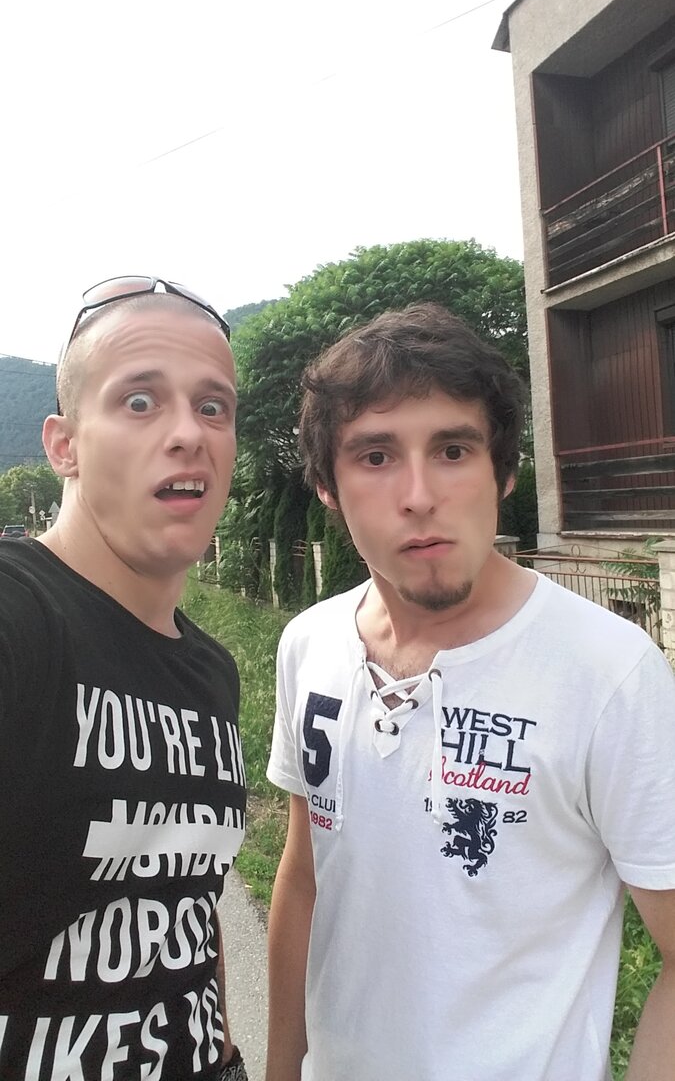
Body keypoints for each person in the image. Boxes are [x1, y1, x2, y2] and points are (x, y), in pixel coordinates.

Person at [266, 302, 675, 1081]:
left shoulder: (607, 672)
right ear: (326, 485)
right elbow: (304, 874)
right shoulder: (308, 645)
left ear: (503, 471)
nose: (419, 494)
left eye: (452, 449)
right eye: (375, 456)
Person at [0, 278, 248, 1080]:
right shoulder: (20, 615)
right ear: (63, 445)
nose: (188, 433)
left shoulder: (211, 671)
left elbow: (186, 897)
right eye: (140, 402)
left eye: (213, 407)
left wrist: (226, 1052)